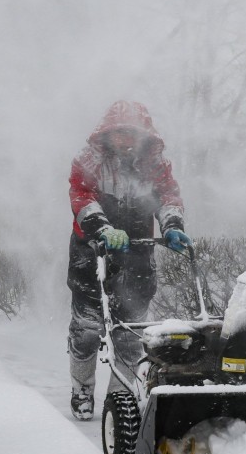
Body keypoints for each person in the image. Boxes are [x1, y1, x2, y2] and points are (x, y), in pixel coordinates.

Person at [66, 100, 192, 420]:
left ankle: (119, 397)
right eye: (119, 133)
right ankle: (82, 387)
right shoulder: (89, 161)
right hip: (90, 248)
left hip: (137, 248)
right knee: (87, 326)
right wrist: (103, 228)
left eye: (131, 133)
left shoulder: (155, 165)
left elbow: (168, 196)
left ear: (144, 136)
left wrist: (172, 225)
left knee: (130, 328)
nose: (125, 139)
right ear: (107, 134)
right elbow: (81, 197)